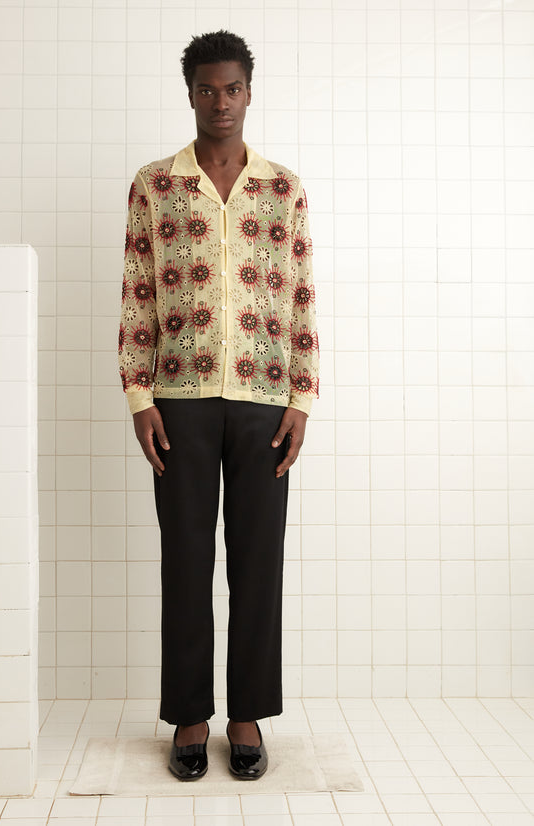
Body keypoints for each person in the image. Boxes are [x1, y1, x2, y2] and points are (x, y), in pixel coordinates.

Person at [117, 30, 319, 780]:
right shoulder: (154, 186)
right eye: (208, 88)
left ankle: (246, 717)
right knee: (187, 560)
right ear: (191, 92)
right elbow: (138, 296)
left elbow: (299, 296)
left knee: (259, 564)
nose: (221, 101)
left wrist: (303, 395)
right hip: (181, 399)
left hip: (266, 398)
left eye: (233, 88)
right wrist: (140, 396)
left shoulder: (283, 188)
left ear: (249, 92)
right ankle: (190, 719)